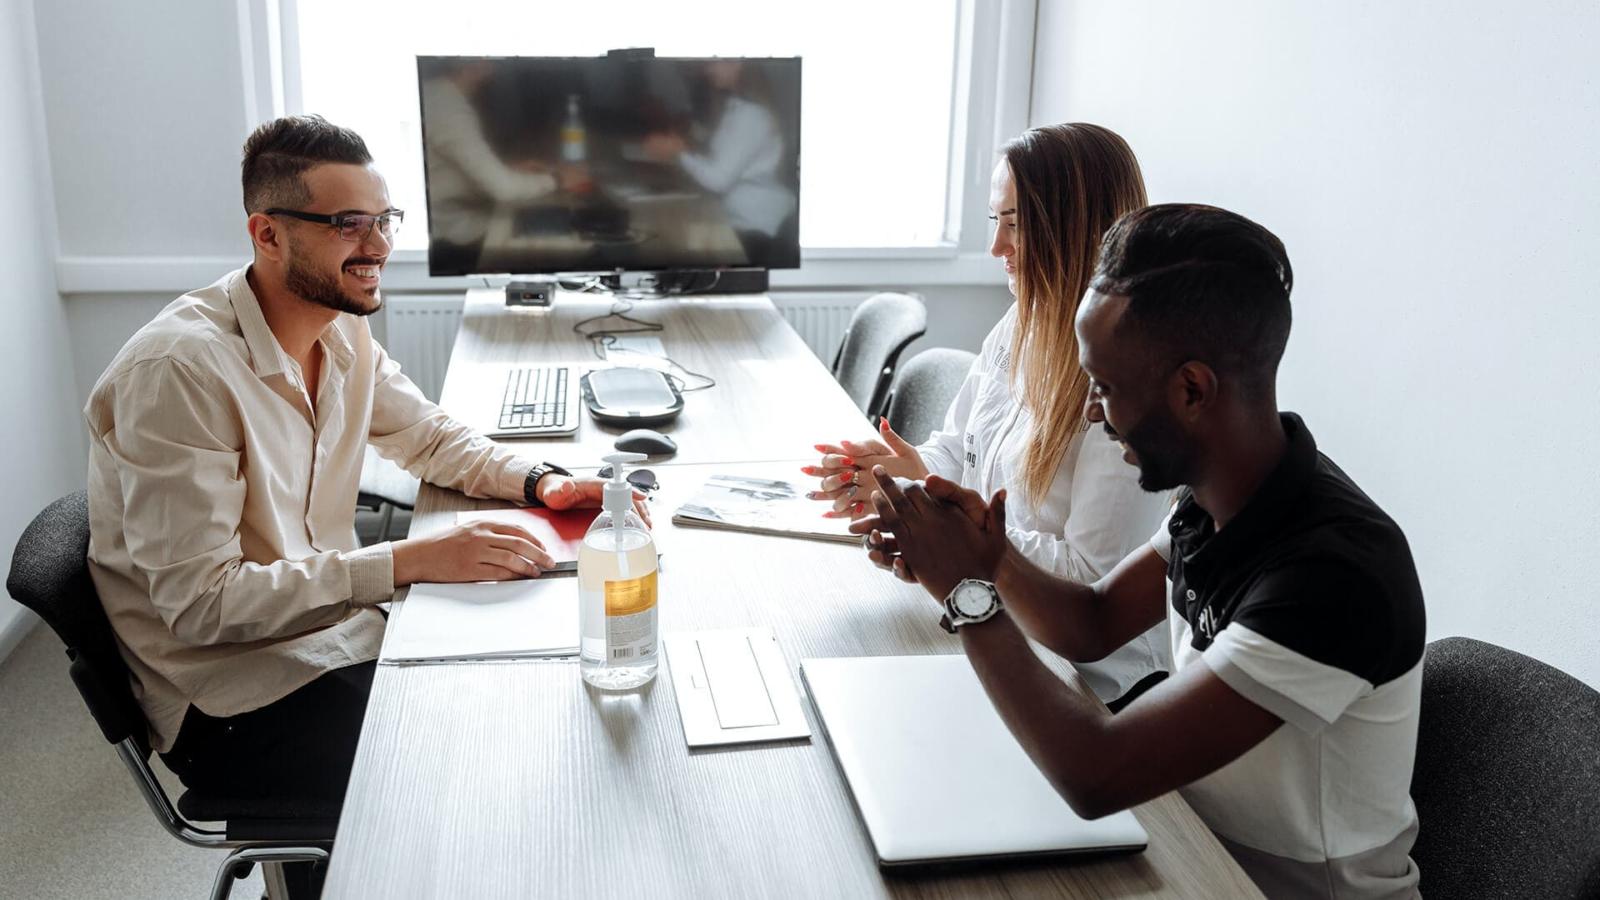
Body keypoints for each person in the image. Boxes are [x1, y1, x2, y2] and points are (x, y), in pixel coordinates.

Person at [83, 115, 643, 895]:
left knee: (520, 690)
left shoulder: (339, 331)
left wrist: (538, 481)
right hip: (233, 693)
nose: (377, 246)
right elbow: (200, 606)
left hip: (334, 637)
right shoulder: (180, 371)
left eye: (383, 220)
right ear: (268, 235)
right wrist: (407, 563)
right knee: (496, 767)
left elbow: (430, 437)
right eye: (347, 224)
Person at [855, 204, 1425, 898]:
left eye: (1104, 386)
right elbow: (1091, 622)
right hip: (1189, 850)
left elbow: (1098, 774)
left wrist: (967, 595)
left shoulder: (1334, 576)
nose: (1091, 410)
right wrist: (984, 554)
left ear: (1192, 389)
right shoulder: (1219, 496)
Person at [807, 124, 1172, 710]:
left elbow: (1091, 584)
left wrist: (955, 535)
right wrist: (912, 475)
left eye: (1016, 225)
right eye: (993, 222)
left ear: (1075, 229)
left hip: (1092, 685)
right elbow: (961, 445)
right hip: (996, 619)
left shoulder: (1125, 384)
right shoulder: (1022, 321)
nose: (997, 249)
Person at [642, 60, 797, 267]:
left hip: (755, 227)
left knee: (663, 240)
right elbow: (722, 157)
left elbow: (718, 181)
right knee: (662, 232)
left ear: (738, 64)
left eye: (716, 63)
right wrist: (683, 145)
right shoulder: (737, 107)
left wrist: (678, 151)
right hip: (737, 216)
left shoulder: (751, 115)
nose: (708, 69)